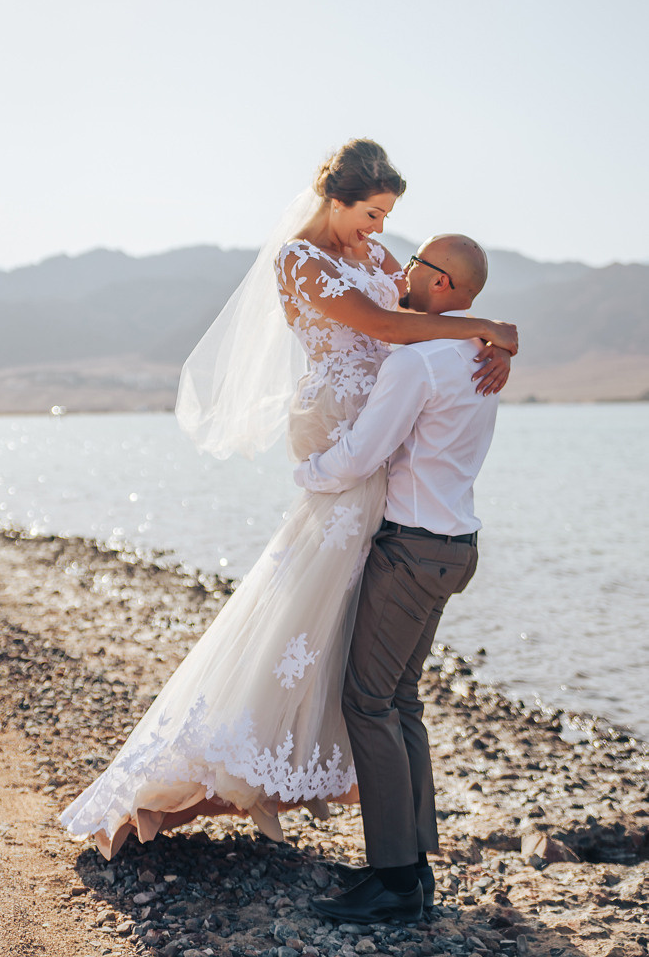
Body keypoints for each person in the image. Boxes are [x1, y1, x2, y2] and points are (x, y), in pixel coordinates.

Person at [60, 140, 516, 860]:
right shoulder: (300, 261)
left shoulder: (375, 259)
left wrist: (495, 341)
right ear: (335, 199)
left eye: (388, 216)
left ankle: (377, 830)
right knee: (297, 622)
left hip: (379, 462)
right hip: (343, 457)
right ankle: (200, 774)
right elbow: (392, 328)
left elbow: (435, 305)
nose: (378, 230)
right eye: (370, 213)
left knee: (354, 649)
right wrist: (489, 331)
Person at [294, 234, 501, 924]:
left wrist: (308, 474)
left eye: (416, 265)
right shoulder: (478, 352)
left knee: (368, 703)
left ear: (443, 285)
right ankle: (411, 869)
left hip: (412, 550)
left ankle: (391, 881)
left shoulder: (421, 363)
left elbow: (362, 455)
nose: (402, 270)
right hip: (454, 546)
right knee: (402, 701)